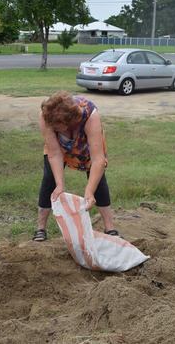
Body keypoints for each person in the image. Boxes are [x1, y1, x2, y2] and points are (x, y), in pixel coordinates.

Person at [33, 91, 118, 242]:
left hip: (86, 145)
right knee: (49, 180)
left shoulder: (90, 115)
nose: (55, 129)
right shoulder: (46, 116)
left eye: (58, 127)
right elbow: (54, 154)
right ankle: (40, 228)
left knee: (98, 181)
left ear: (71, 122)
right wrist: (60, 185)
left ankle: (110, 227)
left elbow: (98, 159)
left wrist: (89, 192)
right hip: (59, 148)